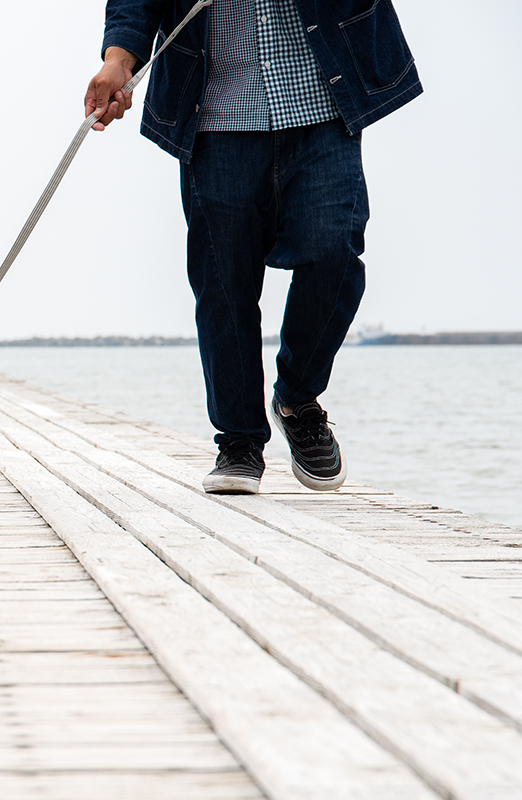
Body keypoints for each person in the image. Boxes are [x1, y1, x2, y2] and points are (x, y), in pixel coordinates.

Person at [84, 0, 420, 494]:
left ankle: (297, 401)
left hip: (323, 101)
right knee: (223, 284)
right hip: (215, 111)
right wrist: (119, 59)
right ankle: (239, 441)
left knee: (335, 253)